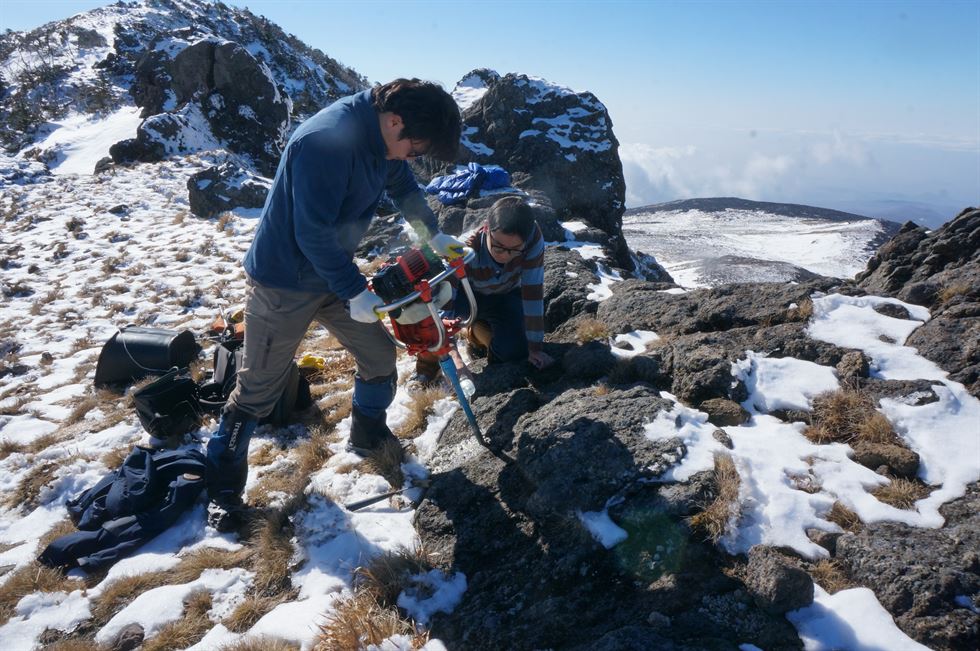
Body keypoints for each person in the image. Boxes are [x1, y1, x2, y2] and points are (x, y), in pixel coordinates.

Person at [206, 78, 463, 531]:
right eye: (417, 148)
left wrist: (432, 233)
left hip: (333, 272)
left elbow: (403, 186)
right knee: (258, 390)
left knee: (379, 355)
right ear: (395, 120)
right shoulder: (325, 143)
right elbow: (312, 234)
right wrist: (353, 290)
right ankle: (222, 493)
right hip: (283, 281)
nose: (414, 157)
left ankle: (367, 436)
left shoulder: (384, 142)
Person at [414, 196, 555, 383]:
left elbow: (533, 292)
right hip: (465, 298)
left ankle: (478, 332)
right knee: (427, 325)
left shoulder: (532, 238)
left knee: (515, 352)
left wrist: (535, 347)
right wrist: (456, 361)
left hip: (504, 296)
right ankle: (427, 368)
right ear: (487, 228)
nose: (505, 255)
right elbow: (441, 314)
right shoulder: (464, 250)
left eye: (515, 250)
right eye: (498, 248)